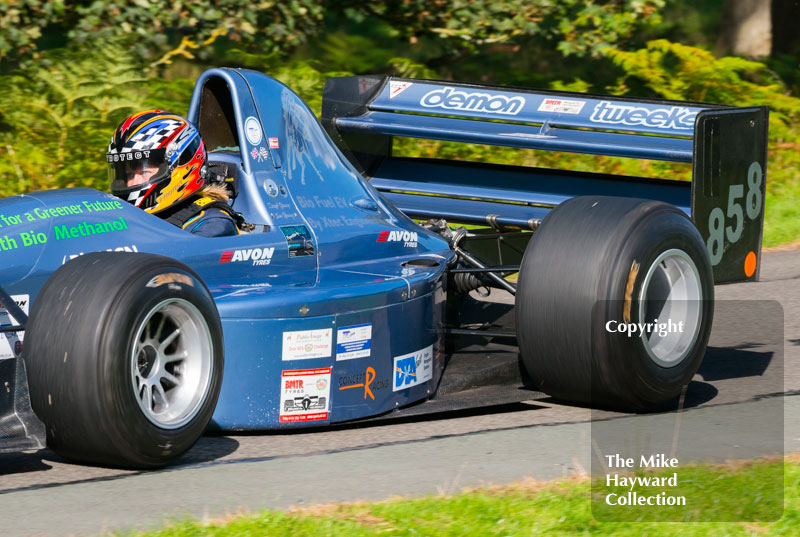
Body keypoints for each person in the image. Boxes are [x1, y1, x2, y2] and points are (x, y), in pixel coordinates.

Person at [107, 110, 240, 237]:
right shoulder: (121, 220)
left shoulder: (213, 224)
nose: (133, 182)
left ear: (181, 162)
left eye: (144, 172)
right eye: (128, 175)